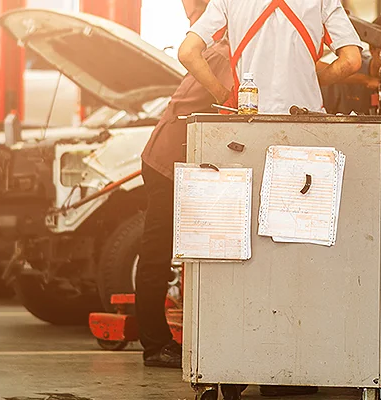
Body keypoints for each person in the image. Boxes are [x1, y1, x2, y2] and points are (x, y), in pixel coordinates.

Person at [137, 0, 234, 370]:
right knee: (156, 254)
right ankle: (154, 344)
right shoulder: (223, 55)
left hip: (172, 161)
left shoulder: (221, 50)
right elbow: (227, 103)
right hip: (167, 164)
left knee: (170, 252)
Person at [182, 0, 365, 114]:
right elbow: (351, 61)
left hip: (249, 120)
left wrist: (223, 97)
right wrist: (313, 81)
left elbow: (188, 52)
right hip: (307, 119)